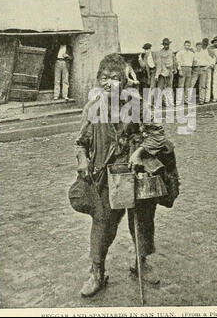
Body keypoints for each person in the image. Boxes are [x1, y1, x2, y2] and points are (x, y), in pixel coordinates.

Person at [75, 53, 175, 298]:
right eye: (104, 78)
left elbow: (158, 134)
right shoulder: (92, 108)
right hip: (106, 175)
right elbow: (80, 143)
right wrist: (83, 161)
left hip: (136, 172)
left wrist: (140, 152)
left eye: (115, 78)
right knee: (103, 223)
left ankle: (140, 263)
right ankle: (97, 272)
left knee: (142, 219)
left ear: (124, 81)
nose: (108, 82)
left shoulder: (136, 104)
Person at [53, 36, 73, 101]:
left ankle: (65, 95)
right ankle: (56, 95)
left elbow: (72, 58)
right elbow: (53, 55)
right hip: (58, 61)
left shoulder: (69, 48)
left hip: (65, 62)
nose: (63, 41)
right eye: (61, 39)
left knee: (65, 80)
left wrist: (67, 56)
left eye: (64, 39)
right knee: (57, 79)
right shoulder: (57, 47)